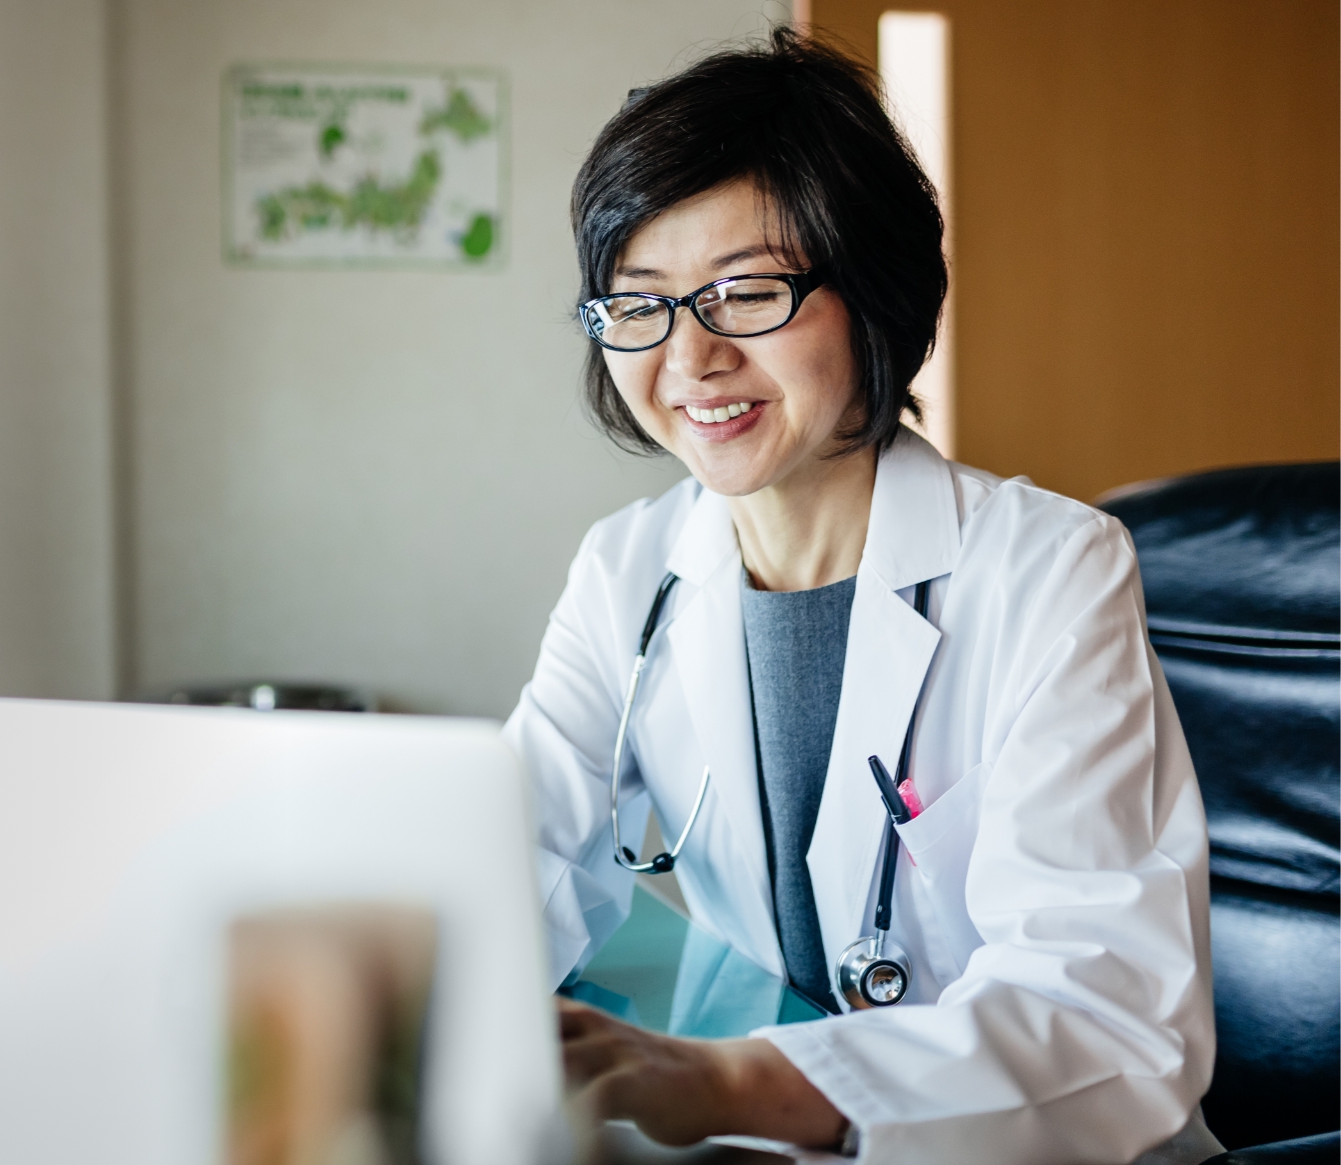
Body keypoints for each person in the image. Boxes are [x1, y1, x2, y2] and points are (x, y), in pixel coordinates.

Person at [509, 32, 1218, 1163]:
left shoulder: (1049, 568)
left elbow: (1105, 1017)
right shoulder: (625, 570)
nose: (689, 360)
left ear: (871, 291)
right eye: (638, 304)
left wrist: (735, 1079)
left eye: (744, 293)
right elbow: (511, 859)